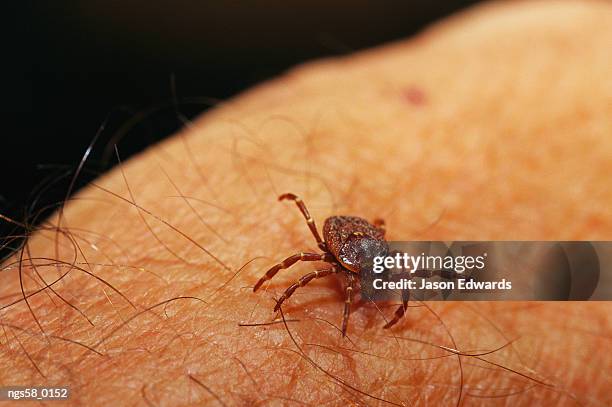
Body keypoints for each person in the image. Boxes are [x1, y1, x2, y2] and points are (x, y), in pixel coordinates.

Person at [1, 1, 610, 405]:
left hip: (365, 242)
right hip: (356, 241)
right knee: (307, 275)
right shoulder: (338, 261)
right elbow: (325, 269)